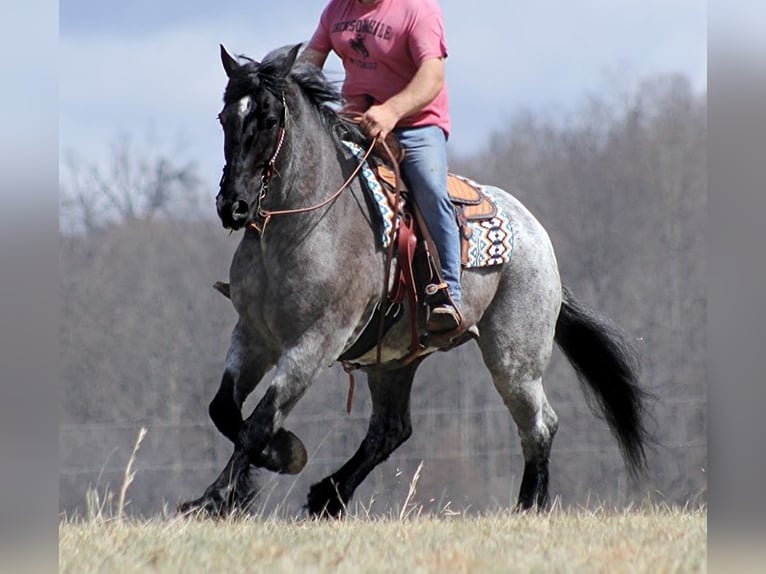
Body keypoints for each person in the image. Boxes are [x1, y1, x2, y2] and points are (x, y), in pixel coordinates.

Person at [302, 0, 464, 334]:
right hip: (356, 121)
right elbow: (310, 61)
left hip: (416, 124)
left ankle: (449, 294)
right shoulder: (337, 10)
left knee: (431, 190)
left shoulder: (418, 9)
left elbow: (432, 76)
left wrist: (391, 111)